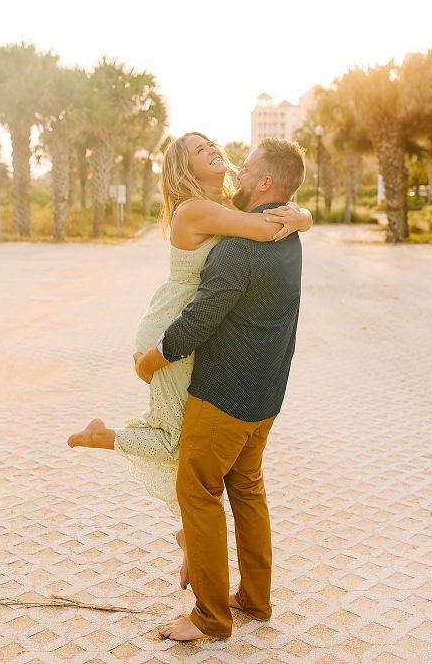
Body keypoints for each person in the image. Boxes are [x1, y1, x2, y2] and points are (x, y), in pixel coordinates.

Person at [67, 132, 311, 587]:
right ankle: (107, 442)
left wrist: (303, 215)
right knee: (178, 443)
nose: (214, 150)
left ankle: (187, 534)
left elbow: (260, 216)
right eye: (201, 151)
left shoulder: (226, 207)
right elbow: (263, 227)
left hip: (189, 335)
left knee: (186, 445)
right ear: (185, 169)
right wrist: (300, 219)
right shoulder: (194, 210)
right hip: (168, 333)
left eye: (212, 144)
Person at [135, 137, 307, 640]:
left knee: (198, 491)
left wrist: (151, 360)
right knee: (247, 489)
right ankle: (255, 599)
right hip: (267, 397)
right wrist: (304, 215)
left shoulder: (237, 249)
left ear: (264, 182)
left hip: (225, 397)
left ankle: (210, 617)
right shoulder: (286, 233)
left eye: (247, 166)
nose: (237, 166)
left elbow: (197, 323)